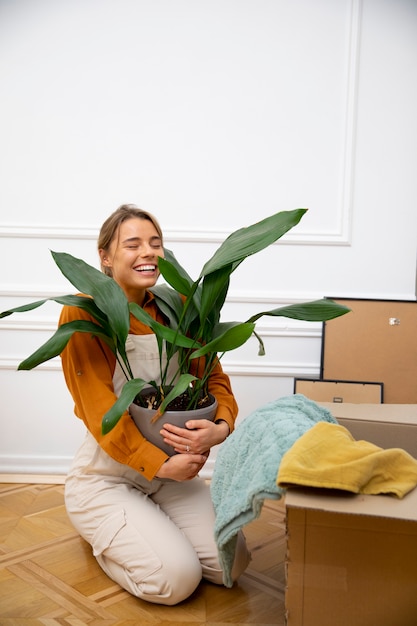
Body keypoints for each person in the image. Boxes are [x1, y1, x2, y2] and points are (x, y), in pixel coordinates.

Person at [61, 204, 250, 605]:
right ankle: (102, 532)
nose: (148, 252)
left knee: (233, 564)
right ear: (106, 258)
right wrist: (160, 463)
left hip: (173, 475)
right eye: (133, 244)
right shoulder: (84, 311)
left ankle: (147, 529)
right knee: (175, 581)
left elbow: (213, 378)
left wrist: (221, 427)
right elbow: (98, 410)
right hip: (109, 475)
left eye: (155, 243)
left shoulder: (178, 304)